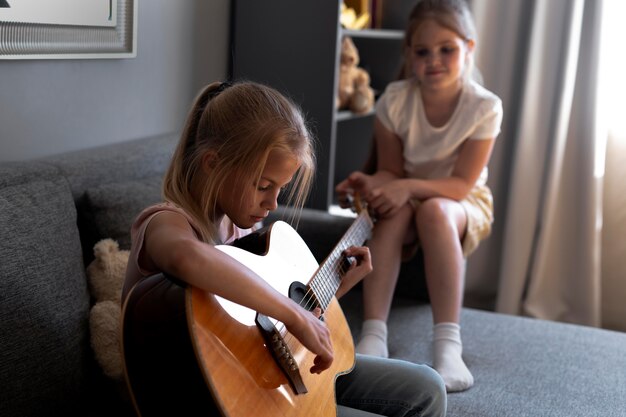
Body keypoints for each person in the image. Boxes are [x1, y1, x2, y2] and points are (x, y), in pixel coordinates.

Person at [121, 81, 446, 417]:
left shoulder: (242, 228)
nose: (273, 202)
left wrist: (337, 284)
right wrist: (294, 315)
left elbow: (268, 324)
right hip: (215, 394)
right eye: (263, 186)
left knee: (427, 388)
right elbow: (186, 257)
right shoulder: (164, 223)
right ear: (212, 163)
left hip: (269, 374)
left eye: (280, 188)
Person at [336, 0, 503, 393]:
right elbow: (393, 171)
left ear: (469, 48)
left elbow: (462, 184)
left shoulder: (484, 106)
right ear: (409, 53)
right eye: (422, 51)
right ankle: (374, 333)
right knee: (393, 213)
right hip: (408, 193)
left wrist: (405, 187)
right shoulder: (395, 99)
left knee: (435, 214)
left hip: (462, 201)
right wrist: (373, 183)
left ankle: (448, 345)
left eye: (447, 49)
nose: (434, 60)